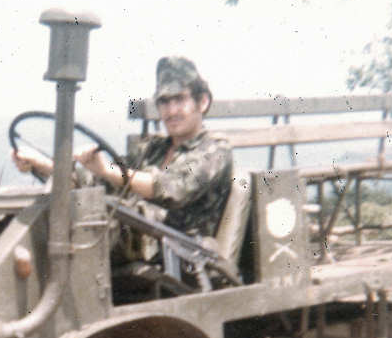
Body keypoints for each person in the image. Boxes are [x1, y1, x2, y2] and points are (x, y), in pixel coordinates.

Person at [13, 56, 233, 240]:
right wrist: (43, 165)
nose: (171, 110)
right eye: (164, 102)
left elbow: (171, 189)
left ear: (202, 102)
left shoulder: (215, 150)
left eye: (180, 99)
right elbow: (98, 182)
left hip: (179, 255)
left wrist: (109, 171)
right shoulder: (153, 149)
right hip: (134, 241)